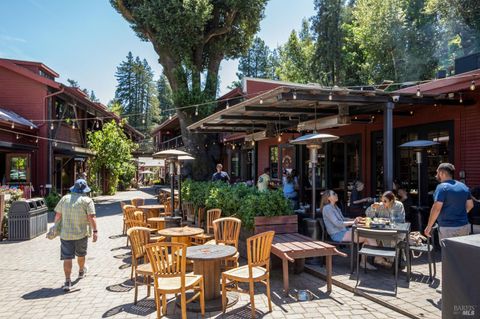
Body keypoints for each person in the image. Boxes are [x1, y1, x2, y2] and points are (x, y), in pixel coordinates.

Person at [54, 178, 97, 292]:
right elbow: (91, 217)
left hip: (66, 234)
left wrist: (55, 227)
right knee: (81, 255)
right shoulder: (87, 201)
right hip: (81, 234)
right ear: (84, 190)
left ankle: (67, 281)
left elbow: (58, 215)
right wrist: (95, 231)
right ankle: (81, 271)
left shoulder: (64, 199)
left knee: (67, 258)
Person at [320, 190, 378, 270]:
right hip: (338, 234)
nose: (336, 194)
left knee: (367, 237)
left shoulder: (335, 207)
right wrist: (353, 222)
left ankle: (365, 262)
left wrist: (356, 219)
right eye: (334, 193)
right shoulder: (327, 208)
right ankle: (379, 258)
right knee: (368, 236)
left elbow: (343, 219)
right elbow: (337, 223)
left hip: (344, 231)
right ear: (328, 198)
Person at [425, 163, 473, 241]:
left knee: (448, 252)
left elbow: (436, 208)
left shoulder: (442, 187)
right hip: (464, 226)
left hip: (448, 227)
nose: (436, 175)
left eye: (437, 172)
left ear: (441, 173)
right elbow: (470, 205)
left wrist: (429, 226)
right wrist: (460, 213)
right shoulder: (463, 186)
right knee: (462, 252)